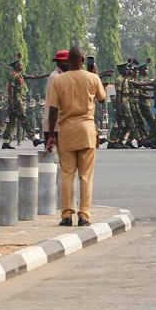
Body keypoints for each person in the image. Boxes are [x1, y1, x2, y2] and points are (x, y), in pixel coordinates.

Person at [45, 47, 106, 227]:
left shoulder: (59, 80)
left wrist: (50, 135)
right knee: (86, 176)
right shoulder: (92, 78)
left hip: (67, 131)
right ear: (82, 60)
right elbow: (102, 99)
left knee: (67, 175)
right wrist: (95, 74)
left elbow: (53, 110)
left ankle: (66, 214)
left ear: (68, 61)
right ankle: (84, 215)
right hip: (86, 129)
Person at [2, 56, 46, 149]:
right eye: (20, 65)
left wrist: (46, 75)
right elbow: (10, 90)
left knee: (11, 122)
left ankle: (6, 142)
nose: (22, 65)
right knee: (24, 120)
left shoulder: (20, 75)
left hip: (16, 101)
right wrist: (11, 104)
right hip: (16, 102)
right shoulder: (14, 75)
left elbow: (33, 76)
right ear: (16, 66)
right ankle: (34, 139)